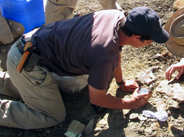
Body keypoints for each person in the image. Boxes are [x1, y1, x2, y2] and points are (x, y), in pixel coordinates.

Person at [0, 7, 169, 129]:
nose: (150, 43)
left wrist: (121, 82)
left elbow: (115, 53)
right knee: (53, 116)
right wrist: (129, 104)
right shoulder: (104, 55)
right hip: (28, 64)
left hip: (28, 45)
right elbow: (96, 99)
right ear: (136, 37)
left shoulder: (115, 16)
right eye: (149, 41)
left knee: (36, 88)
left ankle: (8, 83)